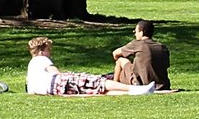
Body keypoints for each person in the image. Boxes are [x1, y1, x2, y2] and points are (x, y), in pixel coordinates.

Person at [24, 37, 155, 96]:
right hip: (58, 84)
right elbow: (56, 74)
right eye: (48, 49)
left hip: (52, 90)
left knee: (98, 90)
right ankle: (135, 88)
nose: (50, 52)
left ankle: (133, 93)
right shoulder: (41, 59)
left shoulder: (31, 68)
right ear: (41, 51)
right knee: (99, 82)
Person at [111, 20, 171, 90]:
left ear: (141, 32)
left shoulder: (137, 44)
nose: (135, 34)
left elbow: (115, 53)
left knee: (120, 60)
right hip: (162, 85)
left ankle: (114, 85)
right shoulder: (162, 47)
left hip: (140, 83)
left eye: (136, 31)